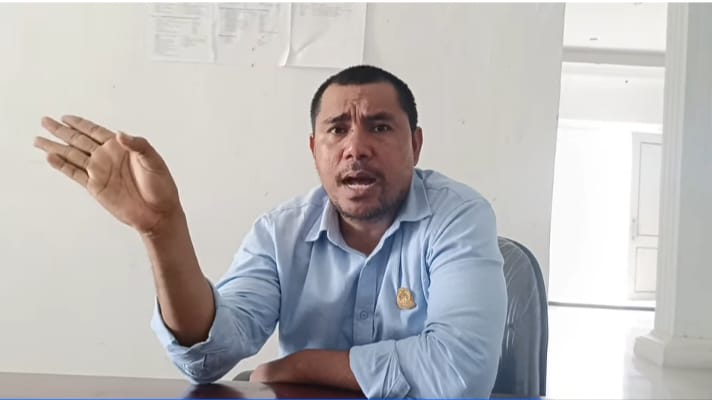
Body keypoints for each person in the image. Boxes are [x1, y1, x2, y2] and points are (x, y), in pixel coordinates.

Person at [33, 65, 507, 398]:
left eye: (380, 128)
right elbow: (210, 356)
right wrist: (163, 230)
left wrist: (300, 365)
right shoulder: (281, 231)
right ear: (314, 149)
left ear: (416, 145)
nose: (356, 147)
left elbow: (458, 372)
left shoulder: (458, 216)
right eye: (337, 130)